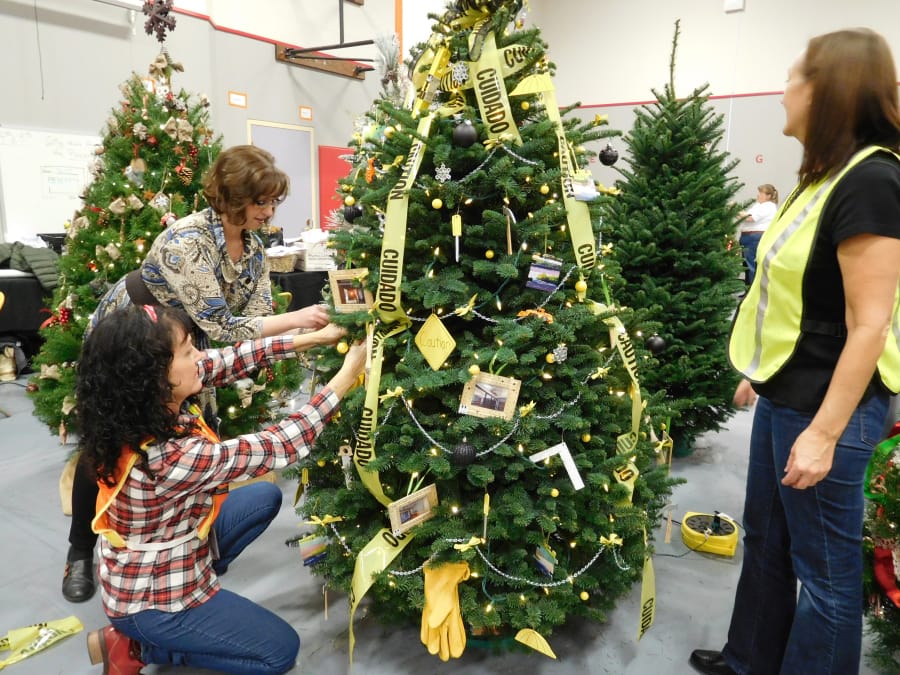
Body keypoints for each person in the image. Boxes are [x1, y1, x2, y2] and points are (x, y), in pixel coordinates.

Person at [690, 28, 900, 675]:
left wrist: (825, 433)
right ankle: (750, 658)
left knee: (828, 578)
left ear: (827, 91)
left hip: (829, 410)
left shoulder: (872, 181)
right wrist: (762, 372)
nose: (782, 92)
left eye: (793, 79)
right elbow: (793, 295)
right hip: (786, 391)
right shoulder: (821, 179)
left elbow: (869, 323)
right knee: (768, 540)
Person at [63, 144, 329, 603]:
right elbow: (224, 325)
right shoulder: (188, 242)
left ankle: (180, 550)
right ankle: (80, 550)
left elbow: (257, 315)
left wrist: (299, 340)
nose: (268, 211)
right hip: (134, 335)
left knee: (179, 436)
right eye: (260, 201)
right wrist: (300, 320)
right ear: (232, 198)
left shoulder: (254, 246)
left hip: (184, 342)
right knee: (108, 440)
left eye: (272, 202)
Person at [79, 304, 365, 674]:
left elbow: (230, 357)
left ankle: (188, 611)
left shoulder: (135, 409)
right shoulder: (168, 457)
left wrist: (315, 338)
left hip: (164, 547)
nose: (200, 355)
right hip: (153, 598)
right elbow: (277, 445)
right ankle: (141, 648)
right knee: (279, 652)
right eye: (186, 351)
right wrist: (345, 377)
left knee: (262, 498)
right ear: (154, 377)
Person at [737, 183, 779, 286]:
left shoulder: (768, 206)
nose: (758, 195)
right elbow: (744, 217)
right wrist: (735, 211)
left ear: (768, 196)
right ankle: (748, 289)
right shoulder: (758, 206)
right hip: (748, 238)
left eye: (761, 193)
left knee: (751, 265)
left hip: (754, 238)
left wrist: (735, 208)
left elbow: (749, 218)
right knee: (747, 265)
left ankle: (751, 291)